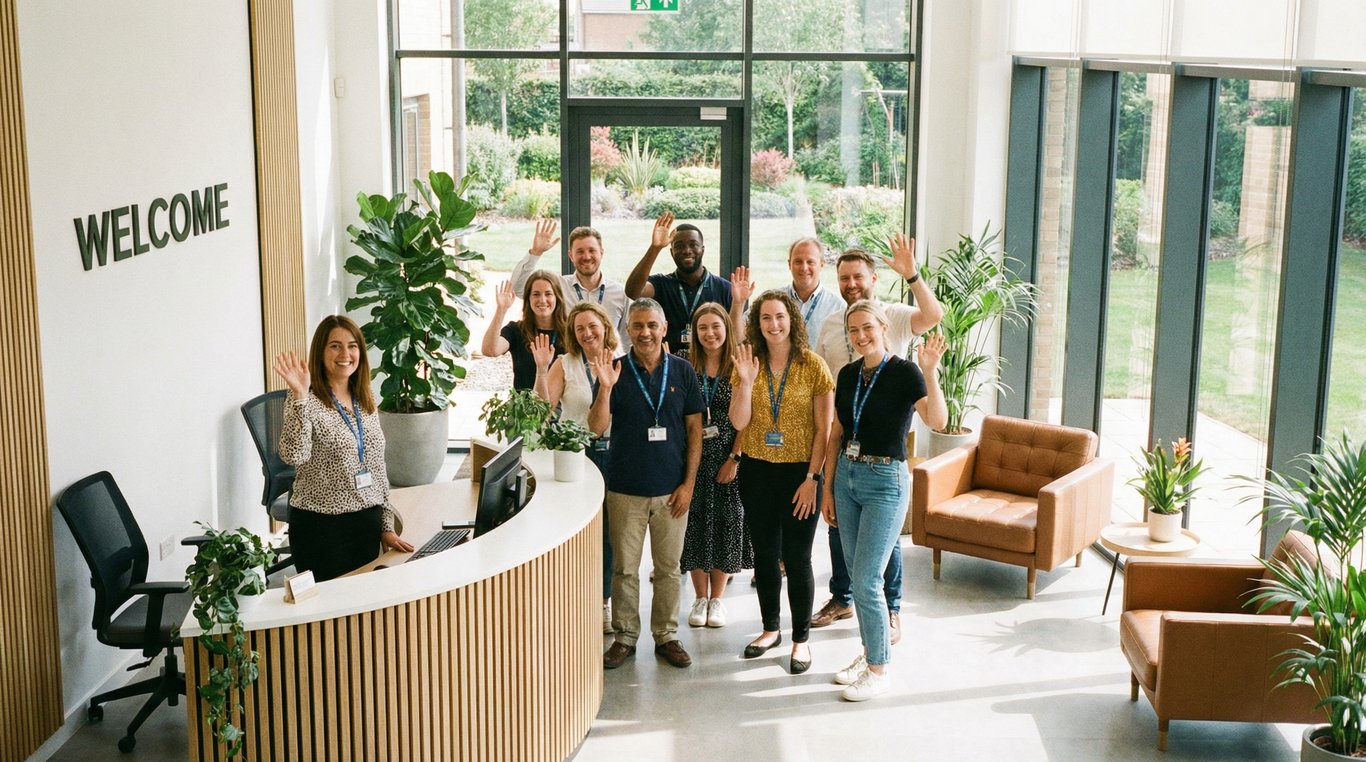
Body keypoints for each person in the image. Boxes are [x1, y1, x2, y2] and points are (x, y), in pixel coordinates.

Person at [810, 233, 944, 642]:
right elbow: (825, 384)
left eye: (858, 276)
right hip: (848, 452)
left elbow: (933, 315)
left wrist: (913, 274)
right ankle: (843, 597)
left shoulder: (897, 317)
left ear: (872, 278)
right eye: (844, 278)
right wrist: (826, 480)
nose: (851, 284)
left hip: (886, 450)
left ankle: (890, 612)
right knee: (843, 539)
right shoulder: (834, 327)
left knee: (883, 545)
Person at [822, 301, 947, 701]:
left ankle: (879, 670)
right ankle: (869, 651)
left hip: (885, 482)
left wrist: (930, 371)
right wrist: (827, 487)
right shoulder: (847, 374)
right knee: (860, 580)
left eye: (867, 328)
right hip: (847, 477)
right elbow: (838, 431)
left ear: (883, 327)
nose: (861, 336)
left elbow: (938, 421)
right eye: (853, 330)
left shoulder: (905, 372)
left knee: (865, 579)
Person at [588, 298, 704, 670]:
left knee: (669, 569)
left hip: (672, 490)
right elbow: (596, 426)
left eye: (652, 325)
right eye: (637, 326)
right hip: (624, 490)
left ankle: (667, 635)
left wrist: (688, 485)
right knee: (624, 569)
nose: (645, 332)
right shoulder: (615, 370)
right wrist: (605, 388)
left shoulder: (684, 372)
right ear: (628, 330)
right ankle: (624, 637)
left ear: (664, 328)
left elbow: (694, 432)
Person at [729, 290, 834, 674]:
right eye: (766, 319)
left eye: (780, 317)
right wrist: (744, 382)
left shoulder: (813, 365)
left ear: (792, 319)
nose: (773, 325)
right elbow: (739, 423)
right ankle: (770, 628)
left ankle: (800, 640)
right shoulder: (747, 362)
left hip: (799, 475)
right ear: (757, 324)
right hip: (757, 470)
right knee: (765, 556)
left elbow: (824, 429)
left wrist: (813, 477)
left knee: (797, 557)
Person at [274, 315, 416, 581]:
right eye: (335, 346)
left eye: (352, 346)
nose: (345, 354)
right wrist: (300, 397)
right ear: (321, 351)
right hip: (322, 528)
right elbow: (294, 455)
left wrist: (386, 526)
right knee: (332, 616)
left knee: (363, 611)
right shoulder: (307, 399)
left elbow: (376, 467)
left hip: (365, 525)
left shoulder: (364, 396)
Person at [535, 301, 621, 634]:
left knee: (611, 536)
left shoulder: (621, 361)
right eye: (580, 328)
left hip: (615, 454)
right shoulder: (565, 364)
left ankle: (603, 603)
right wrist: (542, 370)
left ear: (605, 326)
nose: (587, 333)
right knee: (582, 532)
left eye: (592, 326)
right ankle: (573, 600)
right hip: (578, 457)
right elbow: (542, 410)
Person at [679, 303, 751, 629]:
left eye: (716, 327)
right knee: (693, 524)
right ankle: (699, 597)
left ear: (726, 329)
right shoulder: (684, 366)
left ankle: (718, 599)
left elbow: (748, 420)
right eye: (703, 327)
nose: (710, 333)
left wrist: (734, 458)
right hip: (691, 457)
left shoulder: (738, 366)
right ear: (695, 332)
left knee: (725, 524)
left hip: (727, 458)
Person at [624, 212, 744, 358]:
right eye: (679, 246)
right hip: (668, 366)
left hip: (710, 370)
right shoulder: (662, 284)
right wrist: (655, 248)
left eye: (693, 245)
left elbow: (736, 338)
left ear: (703, 250)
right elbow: (632, 291)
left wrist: (739, 302)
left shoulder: (725, 288)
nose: (687, 251)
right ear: (671, 252)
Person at [509, 220, 631, 337]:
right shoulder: (558, 286)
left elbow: (626, 340)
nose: (587, 257)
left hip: (608, 358)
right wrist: (535, 253)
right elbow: (518, 288)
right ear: (571, 256)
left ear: (602, 253)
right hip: (566, 357)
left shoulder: (620, 293)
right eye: (580, 251)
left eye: (592, 250)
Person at [480, 270, 567, 390]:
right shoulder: (516, 330)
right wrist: (501, 309)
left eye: (548, 294)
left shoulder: (570, 331)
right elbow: (489, 350)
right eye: (536, 294)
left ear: (557, 297)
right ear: (528, 299)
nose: (542, 300)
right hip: (524, 406)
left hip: (561, 407)